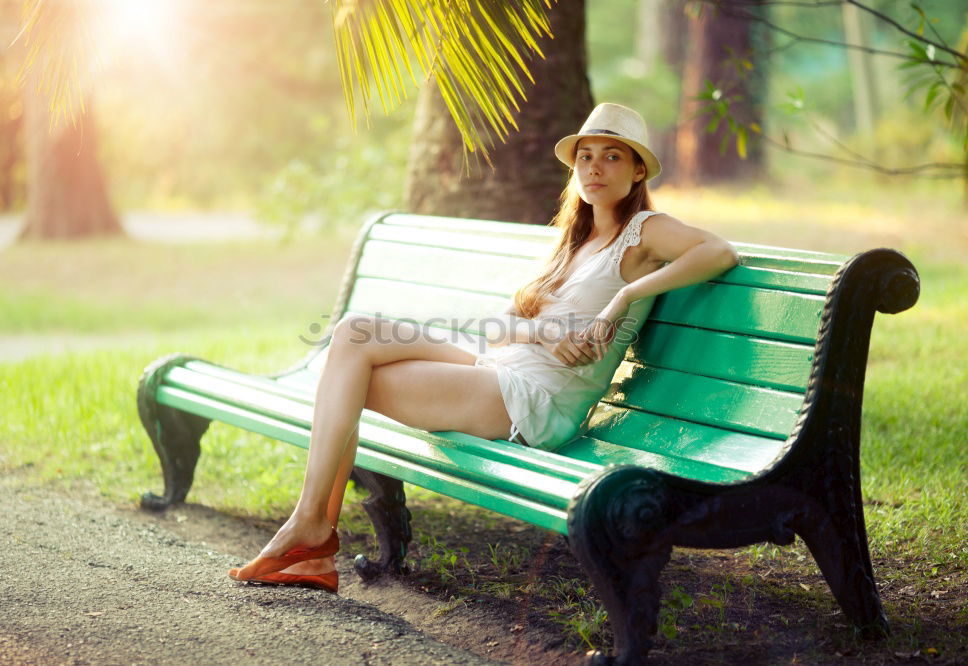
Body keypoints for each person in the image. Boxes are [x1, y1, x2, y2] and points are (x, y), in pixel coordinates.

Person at [228, 103, 739, 591]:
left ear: (636, 172)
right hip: (497, 366)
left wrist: (625, 296)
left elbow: (718, 251)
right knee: (354, 333)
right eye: (586, 155)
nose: (595, 167)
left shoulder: (644, 232)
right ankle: (312, 530)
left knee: (349, 378)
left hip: (534, 400)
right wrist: (545, 332)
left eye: (612, 156)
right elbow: (500, 328)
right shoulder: (573, 241)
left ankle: (312, 533)